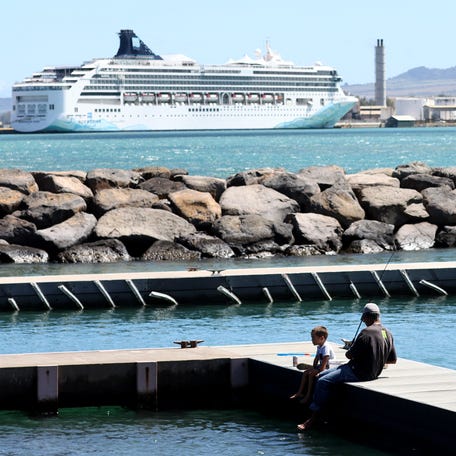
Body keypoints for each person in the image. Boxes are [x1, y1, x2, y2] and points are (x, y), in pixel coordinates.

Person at [297, 302, 397, 431]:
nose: (362, 320)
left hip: (358, 371)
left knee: (322, 381)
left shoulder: (366, 332)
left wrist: (352, 347)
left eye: (363, 318)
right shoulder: (387, 332)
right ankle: (327, 409)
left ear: (366, 316)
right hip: (374, 373)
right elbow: (392, 360)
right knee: (321, 374)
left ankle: (313, 419)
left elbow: (349, 356)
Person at [290, 326, 335, 405]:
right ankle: (299, 392)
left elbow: (325, 359)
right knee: (305, 373)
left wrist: (319, 372)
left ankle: (308, 395)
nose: (312, 340)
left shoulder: (326, 347)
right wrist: (314, 367)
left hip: (328, 367)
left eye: (313, 338)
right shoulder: (319, 346)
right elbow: (316, 358)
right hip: (321, 365)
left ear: (321, 338)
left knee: (311, 375)